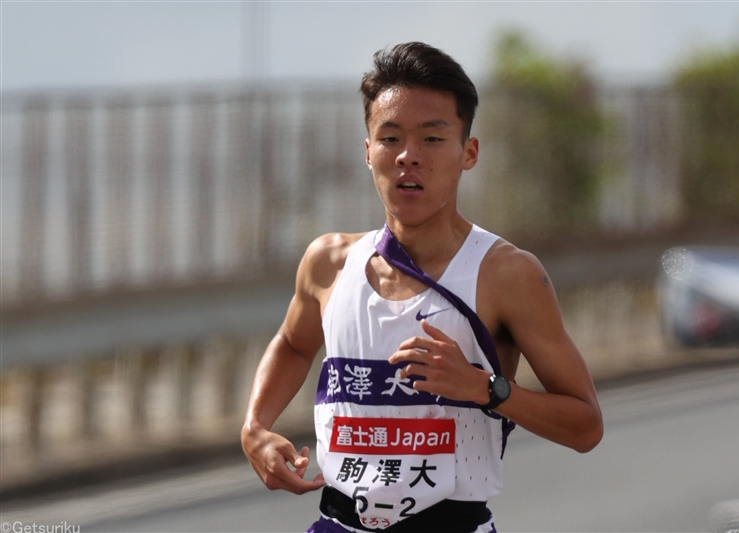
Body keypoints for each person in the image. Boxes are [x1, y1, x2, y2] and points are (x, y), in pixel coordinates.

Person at [241, 42, 603, 533]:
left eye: (432, 139)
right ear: (368, 152)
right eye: (390, 138)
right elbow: (292, 343)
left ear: (468, 152)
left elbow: (585, 426)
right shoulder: (328, 263)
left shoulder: (506, 274)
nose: (408, 157)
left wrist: (485, 389)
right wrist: (256, 427)